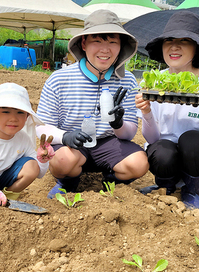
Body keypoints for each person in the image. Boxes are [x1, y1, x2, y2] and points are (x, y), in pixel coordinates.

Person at [36, 9, 149, 199]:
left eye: (112, 42)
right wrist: (65, 137)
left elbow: (129, 134)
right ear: (84, 43)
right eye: (97, 41)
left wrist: (117, 124)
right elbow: (41, 128)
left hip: (107, 144)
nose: (105, 50)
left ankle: (110, 181)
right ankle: (68, 183)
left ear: (121, 46)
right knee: (63, 160)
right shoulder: (60, 79)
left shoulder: (127, 80)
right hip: (72, 146)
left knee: (138, 163)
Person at [135, 11, 199, 213]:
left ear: (196, 48)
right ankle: (165, 187)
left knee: (192, 139)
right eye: (169, 40)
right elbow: (152, 138)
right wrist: (146, 113)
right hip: (166, 159)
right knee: (162, 148)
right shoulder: (153, 82)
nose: (174, 46)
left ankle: (192, 189)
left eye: (185, 41)